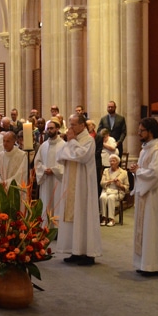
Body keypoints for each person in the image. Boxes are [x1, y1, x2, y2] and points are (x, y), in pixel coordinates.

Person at [128, 117, 158, 276]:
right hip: (145, 195)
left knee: (152, 228)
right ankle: (144, 264)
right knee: (146, 229)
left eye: (141, 130)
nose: (138, 133)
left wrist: (138, 171)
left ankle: (153, 265)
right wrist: (138, 170)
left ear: (151, 132)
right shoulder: (145, 150)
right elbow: (143, 170)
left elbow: (155, 174)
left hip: (154, 198)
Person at [56, 113, 100, 266]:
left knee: (84, 215)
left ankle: (88, 253)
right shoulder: (72, 140)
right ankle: (75, 250)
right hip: (71, 183)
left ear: (82, 125)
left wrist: (72, 144)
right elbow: (61, 156)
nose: (70, 127)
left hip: (83, 186)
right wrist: (71, 147)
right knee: (72, 216)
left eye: (73, 124)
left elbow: (82, 156)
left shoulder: (89, 140)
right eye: (69, 124)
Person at [34, 117, 64, 228]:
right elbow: (37, 162)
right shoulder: (43, 145)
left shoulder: (64, 145)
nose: (49, 130)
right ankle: (46, 227)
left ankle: (58, 228)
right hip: (46, 179)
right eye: (48, 128)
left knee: (57, 202)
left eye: (51, 128)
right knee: (46, 202)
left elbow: (66, 164)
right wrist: (43, 169)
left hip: (58, 180)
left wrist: (55, 170)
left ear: (57, 129)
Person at [99, 154, 129, 226]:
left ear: (118, 162)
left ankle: (111, 219)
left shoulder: (124, 173)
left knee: (110, 198)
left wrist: (120, 185)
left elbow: (127, 187)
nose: (112, 162)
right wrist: (109, 182)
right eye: (110, 161)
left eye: (113, 161)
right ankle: (104, 218)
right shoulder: (106, 171)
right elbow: (101, 183)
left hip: (118, 192)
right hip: (107, 190)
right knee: (102, 197)